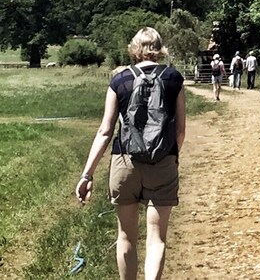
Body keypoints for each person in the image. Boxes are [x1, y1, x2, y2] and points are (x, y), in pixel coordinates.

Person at [75, 27, 185, 280]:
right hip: (163, 161)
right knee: (157, 237)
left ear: (134, 48)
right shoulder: (173, 79)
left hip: (124, 162)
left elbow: (105, 131)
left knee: (126, 236)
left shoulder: (119, 80)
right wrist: (170, 157)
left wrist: (87, 174)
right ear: (159, 48)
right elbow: (180, 130)